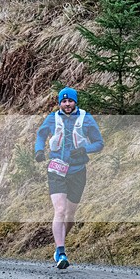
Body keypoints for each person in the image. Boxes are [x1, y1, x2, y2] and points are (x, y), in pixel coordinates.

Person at [34, 87, 104, 269]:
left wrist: (84, 149)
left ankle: (60, 242)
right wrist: (39, 151)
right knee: (60, 210)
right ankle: (61, 251)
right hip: (56, 168)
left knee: (70, 215)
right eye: (63, 101)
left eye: (70, 101)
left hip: (77, 170)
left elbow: (99, 143)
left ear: (75, 102)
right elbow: (40, 136)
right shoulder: (52, 118)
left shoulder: (86, 119)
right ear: (59, 103)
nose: (67, 104)